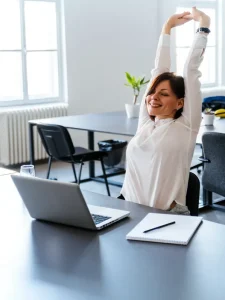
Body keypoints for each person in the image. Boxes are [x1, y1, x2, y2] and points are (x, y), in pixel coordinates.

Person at [119, 7, 210, 215]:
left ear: (180, 103)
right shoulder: (145, 123)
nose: (154, 97)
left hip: (167, 217)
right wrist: (167, 28)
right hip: (129, 210)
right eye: (153, 92)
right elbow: (158, 70)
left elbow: (191, 70)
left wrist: (203, 26)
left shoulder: (186, 126)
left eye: (164, 94)